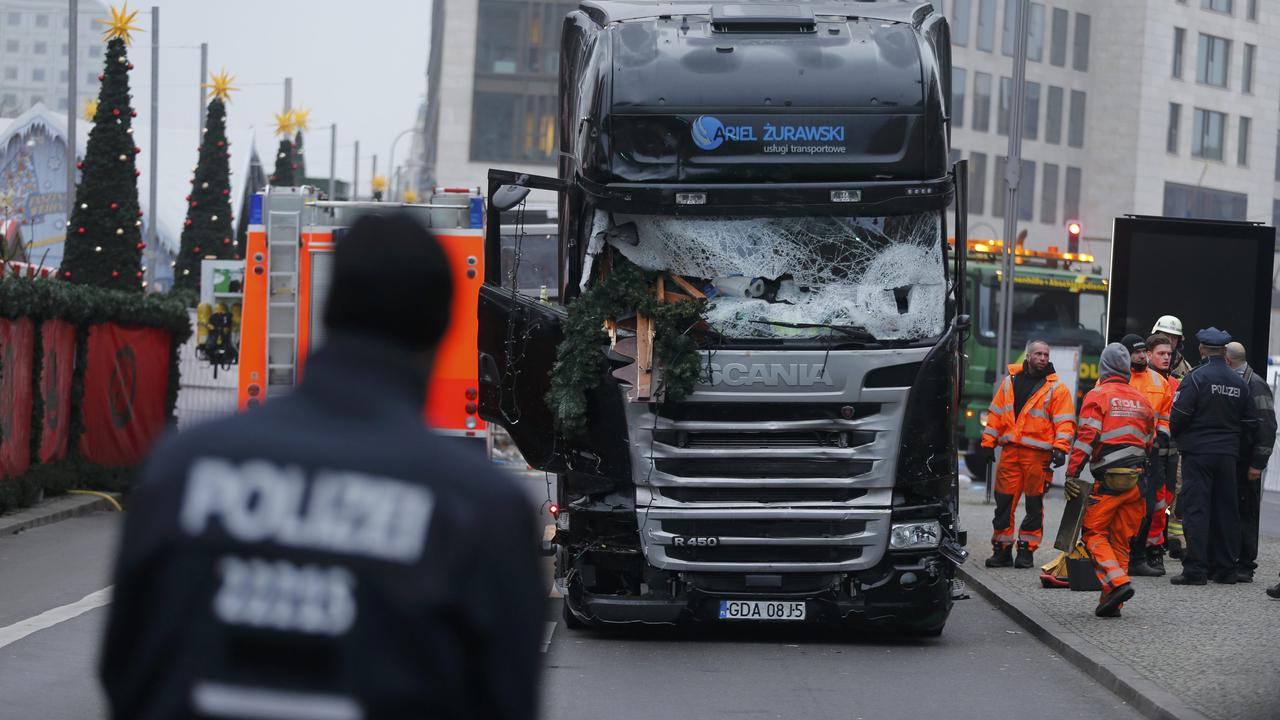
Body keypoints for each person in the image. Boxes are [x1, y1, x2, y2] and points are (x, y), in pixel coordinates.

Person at [99, 212, 544, 720]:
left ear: (328, 310)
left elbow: (125, 673)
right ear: (444, 329)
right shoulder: (481, 509)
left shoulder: (181, 469)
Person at [1064, 342, 1156, 617]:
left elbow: (1085, 438)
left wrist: (1072, 473)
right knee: (1120, 541)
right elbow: (1150, 440)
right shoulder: (1142, 400)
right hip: (1137, 482)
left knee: (1093, 533)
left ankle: (1117, 583)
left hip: (1110, 481)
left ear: (1104, 368)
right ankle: (1112, 601)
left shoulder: (1098, 395)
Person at [1168, 328, 1256, 586]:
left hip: (1198, 454)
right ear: (1225, 352)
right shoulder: (1239, 382)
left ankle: (1195, 569)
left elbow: (1179, 415)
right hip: (1227, 455)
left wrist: (1183, 439)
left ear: (1202, 350)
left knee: (1197, 509)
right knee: (1226, 511)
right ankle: (1225, 569)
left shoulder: (1196, 378)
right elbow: (1251, 421)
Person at [979, 339, 1077, 569]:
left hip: (1037, 457)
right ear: (1028, 356)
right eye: (1038, 354)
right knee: (1003, 504)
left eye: (1046, 354)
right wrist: (987, 443)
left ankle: (1026, 551)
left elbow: (1065, 422)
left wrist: (1061, 448)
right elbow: (995, 415)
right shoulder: (1009, 383)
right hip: (1011, 453)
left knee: (1034, 505)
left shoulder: (1056, 388)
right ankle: (1001, 550)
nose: (1043, 358)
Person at [1118, 334, 1175, 577]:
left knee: (1147, 507)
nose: (1141, 355)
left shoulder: (1159, 383)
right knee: (1118, 507)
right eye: (1137, 352)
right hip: (1119, 454)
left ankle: (1138, 557)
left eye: (1143, 351)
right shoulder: (1116, 379)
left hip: (1149, 454)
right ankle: (1119, 555)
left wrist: (1161, 436)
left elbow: (1166, 415)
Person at [1224, 341, 1276, 583]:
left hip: (1248, 463)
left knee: (1247, 512)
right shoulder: (1240, 381)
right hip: (1236, 459)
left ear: (1228, 360)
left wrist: (1258, 463)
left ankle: (1245, 564)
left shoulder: (1255, 384)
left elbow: (1267, 427)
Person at [1138, 333, 1180, 573]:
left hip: (1169, 453)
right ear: (1149, 354)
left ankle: (1155, 549)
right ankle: (1143, 548)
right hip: (1146, 452)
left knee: (1163, 503)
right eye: (1161, 354)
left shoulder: (1174, 383)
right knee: (1144, 502)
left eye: (1169, 354)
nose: (1166, 357)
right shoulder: (1140, 381)